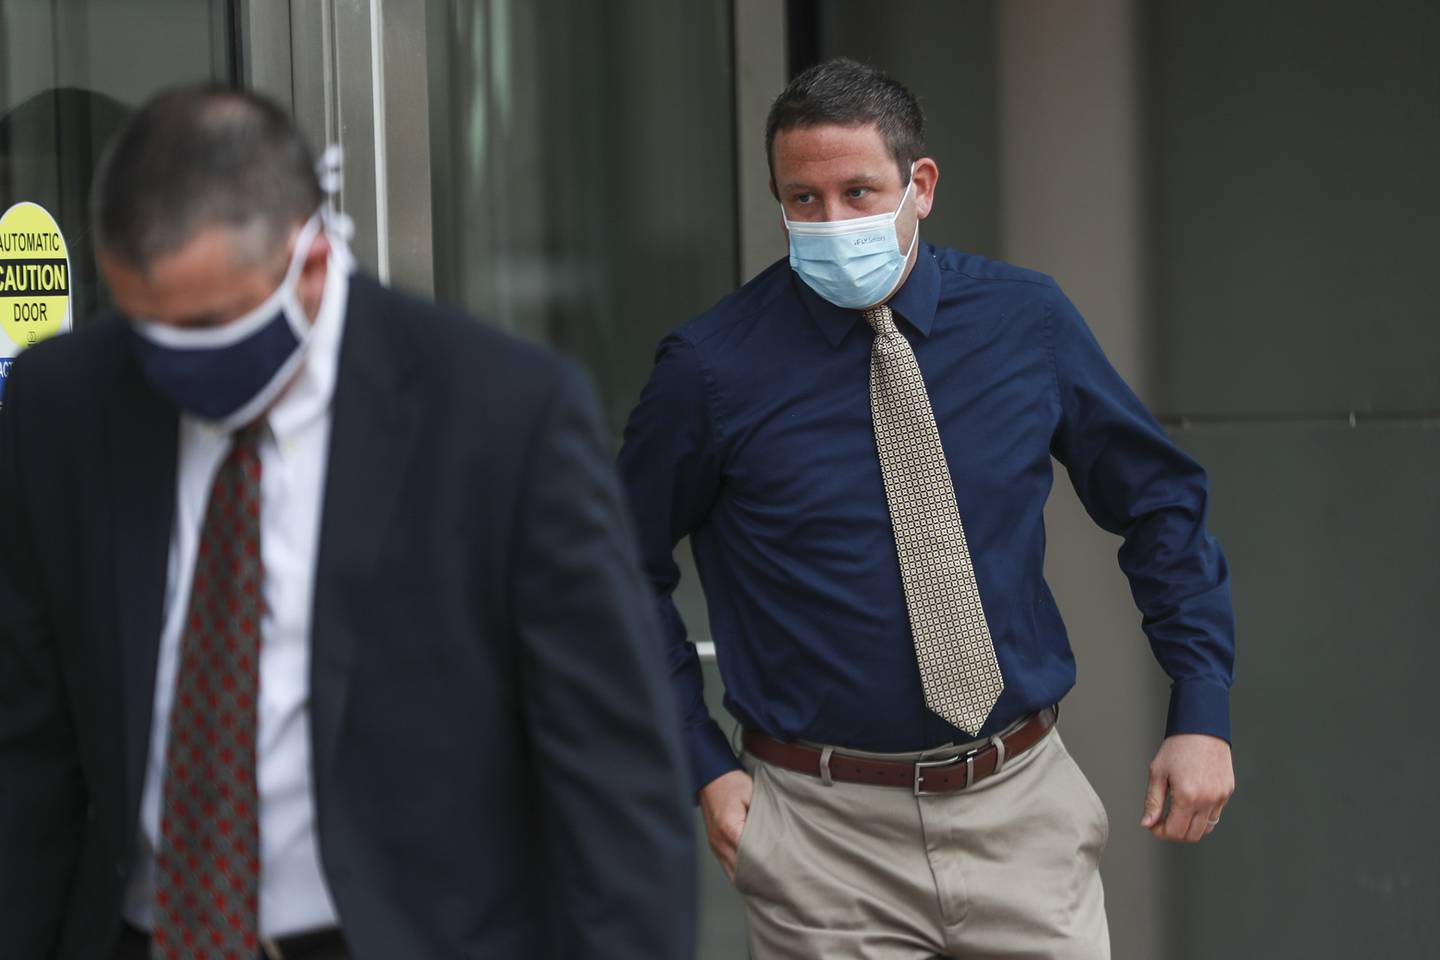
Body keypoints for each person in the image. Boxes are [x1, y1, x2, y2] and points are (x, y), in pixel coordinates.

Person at [0, 85, 696, 960]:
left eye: (210, 324)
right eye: (148, 327)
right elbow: (28, 747)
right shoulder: (62, 402)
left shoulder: (500, 416)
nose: (173, 360)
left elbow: (614, 778)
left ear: (312, 263)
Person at [619, 58, 1236, 958]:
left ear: (923, 185)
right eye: (803, 199)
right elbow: (614, 568)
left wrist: (1202, 711)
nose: (832, 222)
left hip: (1020, 811)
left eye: (859, 191)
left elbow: (1161, 504)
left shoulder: (1029, 324)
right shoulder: (712, 371)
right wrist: (701, 761)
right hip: (819, 837)